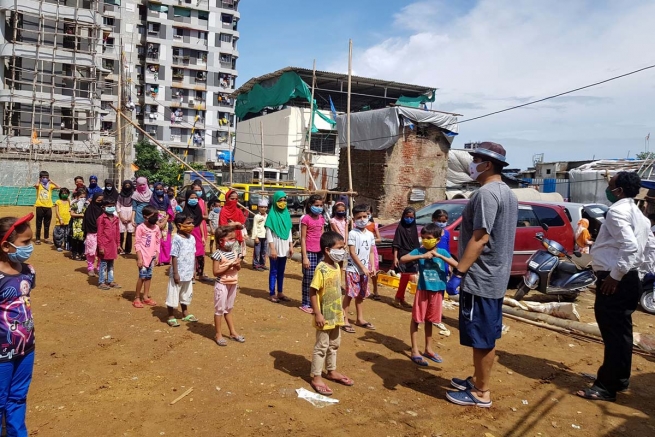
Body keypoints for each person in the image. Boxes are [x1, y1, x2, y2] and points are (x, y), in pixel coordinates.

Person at [445, 142, 518, 408]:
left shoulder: (486, 195)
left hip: (481, 278)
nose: (471, 164)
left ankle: (481, 391)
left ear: (487, 164)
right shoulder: (507, 193)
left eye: (475, 159)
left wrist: (459, 271)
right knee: (484, 334)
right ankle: (477, 379)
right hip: (494, 277)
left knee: (482, 337)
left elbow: (480, 237)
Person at [577, 171, 650, 402]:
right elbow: (649, 248)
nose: (607, 188)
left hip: (616, 280)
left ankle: (606, 387)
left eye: (610, 185)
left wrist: (615, 277)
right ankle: (617, 378)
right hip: (630, 278)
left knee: (613, 334)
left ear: (618, 190)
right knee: (622, 333)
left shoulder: (618, 211)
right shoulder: (639, 214)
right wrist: (638, 273)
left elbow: (630, 247)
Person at [0, 213, 37, 436]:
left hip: (26, 348)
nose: (30, 247)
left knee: (18, 397)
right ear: (6, 245)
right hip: (1, 353)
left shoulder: (28, 271)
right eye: (25, 242)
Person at [401, 224, 458, 366]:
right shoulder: (419, 251)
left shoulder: (443, 252)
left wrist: (439, 255)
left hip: (438, 291)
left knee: (430, 320)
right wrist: (422, 255)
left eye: (429, 238)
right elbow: (403, 259)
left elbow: (457, 264)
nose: (425, 240)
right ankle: (414, 350)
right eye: (423, 238)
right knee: (416, 319)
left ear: (437, 240)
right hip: (423, 289)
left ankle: (428, 349)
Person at [308, 231, 353, 396]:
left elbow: (335, 289)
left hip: (336, 315)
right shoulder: (321, 269)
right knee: (321, 346)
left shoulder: (336, 266)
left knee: (334, 345)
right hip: (324, 316)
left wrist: (341, 308)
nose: (342, 251)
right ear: (327, 250)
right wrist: (317, 313)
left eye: (343, 248)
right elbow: (313, 292)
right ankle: (317, 377)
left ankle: (331, 371)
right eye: (340, 248)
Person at [342, 204, 376, 333]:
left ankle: (359, 318)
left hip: (365, 271)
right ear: (354, 219)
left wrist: (372, 266)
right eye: (359, 217)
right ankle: (344, 319)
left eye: (364, 216)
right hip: (353, 270)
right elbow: (352, 252)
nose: (362, 219)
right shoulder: (353, 233)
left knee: (361, 295)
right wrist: (362, 267)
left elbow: (371, 252)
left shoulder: (370, 234)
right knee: (350, 295)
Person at [211, 225, 245, 346]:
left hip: (233, 284)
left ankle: (232, 332)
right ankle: (218, 334)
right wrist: (229, 266)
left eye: (233, 239)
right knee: (219, 310)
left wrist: (236, 265)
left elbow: (238, 269)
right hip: (222, 284)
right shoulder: (217, 254)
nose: (233, 241)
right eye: (230, 239)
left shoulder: (234, 252)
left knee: (228, 309)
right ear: (221, 241)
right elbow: (215, 272)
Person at [166, 213, 198, 327]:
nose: (191, 225)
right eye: (188, 223)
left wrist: (194, 270)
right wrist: (175, 273)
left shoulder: (192, 238)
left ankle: (185, 313)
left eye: (192, 223)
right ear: (180, 225)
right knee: (173, 294)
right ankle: (171, 316)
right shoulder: (177, 239)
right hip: (178, 272)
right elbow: (174, 256)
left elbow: (193, 254)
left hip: (188, 272)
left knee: (186, 293)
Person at [266, 191, 294, 303]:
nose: (282, 203)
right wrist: (272, 249)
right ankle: (272, 293)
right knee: (273, 270)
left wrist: (291, 246)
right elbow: (269, 234)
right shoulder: (271, 215)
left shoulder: (287, 214)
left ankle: (280, 292)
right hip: (275, 247)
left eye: (284, 200)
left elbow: (289, 231)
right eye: (280, 200)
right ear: (275, 201)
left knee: (281, 271)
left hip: (285, 247)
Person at [300, 195, 325, 313]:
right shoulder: (306, 219)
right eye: (316, 205)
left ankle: (317, 302)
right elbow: (303, 238)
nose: (319, 207)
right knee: (308, 278)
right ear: (310, 205)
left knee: (320, 278)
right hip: (309, 251)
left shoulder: (321, 218)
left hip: (321, 251)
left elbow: (323, 235)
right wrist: (305, 257)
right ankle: (306, 303)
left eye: (321, 205)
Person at [133, 205, 161, 308]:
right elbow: (137, 244)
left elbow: (158, 242)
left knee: (149, 276)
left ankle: (145, 296)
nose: (156, 218)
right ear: (145, 216)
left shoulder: (156, 228)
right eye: (153, 216)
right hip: (143, 257)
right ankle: (136, 297)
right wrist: (139, 258)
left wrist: (157, 256)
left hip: (152, 257)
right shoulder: (140, 228)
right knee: (142, 277)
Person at [392, 207, 420, 308]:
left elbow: (416, 243)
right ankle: (397, 298)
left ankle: (401, 298)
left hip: (412, 255)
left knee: (407, 277)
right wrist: (395, 258)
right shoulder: (400, 228)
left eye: (411, 217)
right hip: (403, 255)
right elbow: (396, 244)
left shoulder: (414, 228)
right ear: (403, 216)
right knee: (404, 277)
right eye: (407, 217)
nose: (409, 219)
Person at [183, 190, 209, 282]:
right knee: (191, 255)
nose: (194, 200)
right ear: (187, 198)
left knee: (201, 254)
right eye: (191, 198)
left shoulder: (198, 210)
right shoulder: (185, 211)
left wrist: (202, 236)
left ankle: (201, 274)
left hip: (198, 233)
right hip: (189, 233)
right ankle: (192, 275)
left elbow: (200, 223)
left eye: (195, 198)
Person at [96, 198, 121, 290]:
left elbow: (118, 232)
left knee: (111, 263)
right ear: (103, 207)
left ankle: (110, 280)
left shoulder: (116, 219)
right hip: (104, 245)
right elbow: (99, 234)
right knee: (103, 264)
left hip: (113, 245)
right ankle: (101, 282)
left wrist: (118, 244)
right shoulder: (101, 218)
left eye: (113, 206)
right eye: (109, 206)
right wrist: (100, 247)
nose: (111, 208)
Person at [219, 189, 246, 260]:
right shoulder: (223, 211)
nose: (234, 201)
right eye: (232, 199)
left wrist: (235, 223)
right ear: (227, 199)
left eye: (236, 199)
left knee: (235, 259)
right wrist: (235, 224)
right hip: (226, 238)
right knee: (226, 259)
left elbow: (242, 225)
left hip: (237, 238)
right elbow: (222, 226)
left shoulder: (238, 211)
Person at [150, 182, 173, 265]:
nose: (159, 190)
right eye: (157, 189)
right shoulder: (152, 199)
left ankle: (166, 259)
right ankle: (158, 259)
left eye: (161, 189)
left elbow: (169, 210)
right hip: (155, 221)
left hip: (166, 222)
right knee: (157, 240)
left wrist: (165, 220)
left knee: (166, 240)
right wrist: (157, 222)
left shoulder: (166, 198)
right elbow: (151, 211)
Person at [33, 170, 59, 245]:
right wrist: (38, 180)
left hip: (48, 207)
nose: (45, 179)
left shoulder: (50, 186)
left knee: (47, 224)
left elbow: (58, 187)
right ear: (40, 178)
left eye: (46, 177)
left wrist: (52, 181)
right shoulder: (39, 185)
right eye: (43, 177)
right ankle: (38, 239)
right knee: (38, 223)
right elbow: (36, 185)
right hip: (40, 206)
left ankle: (46, 238)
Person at [83, 193, 104, 277]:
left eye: (102, 201)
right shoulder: (89, 210)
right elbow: (87, 222)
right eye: (98, 200)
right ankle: (90, 268)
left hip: (101, 234)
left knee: (101, 252)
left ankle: (99, 268)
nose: (100, 202)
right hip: (91, 233)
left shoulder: (103, 211)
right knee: (90, 252)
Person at [366, 214, 382, 300]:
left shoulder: (374, 225)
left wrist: (369, 239)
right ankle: (365, 290)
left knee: (374, 270)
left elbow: (379, 239)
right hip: (362, 250)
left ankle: (375, 290)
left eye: (368, 214)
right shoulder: (356, 225)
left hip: (372, 250)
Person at [117, 180, 135, 255]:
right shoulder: (120, 195)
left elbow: (135, 205)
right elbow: (118, 205)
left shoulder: (134, 195)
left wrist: (131, 217)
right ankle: (120, 249)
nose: (127, 187)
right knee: (121, 232)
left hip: (131, 211)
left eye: (129, 185)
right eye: (126, 185)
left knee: (129, 232)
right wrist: (121, 216)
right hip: (122, 211)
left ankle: (128, 250)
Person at [251, 198, 268, 271]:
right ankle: (256, 265)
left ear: (267, 208)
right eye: (261, 207)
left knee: (263, 251)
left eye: (264, 207)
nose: (263, 209)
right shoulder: (256, 216)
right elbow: (254, 227)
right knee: (257, 251)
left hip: (265, 236)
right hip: (258, 236)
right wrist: (255, 237)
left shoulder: (268, 216)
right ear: (258, 207)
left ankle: (262, 264)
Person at [69, 188, 87, 261]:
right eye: (81, 197)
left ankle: (81, 253)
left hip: (83, 224)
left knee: (82, 239)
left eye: (84, 197)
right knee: (75, 239)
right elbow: (72, 214)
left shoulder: (86, 205)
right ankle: (74, 253)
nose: (83, 199)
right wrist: (81, 215)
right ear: (77, 197)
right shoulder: (75, 204)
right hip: (75, 224)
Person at [53, 188, 71, 253]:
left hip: (68, 220)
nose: (64, 194)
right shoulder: (58, 201)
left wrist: (69, 200)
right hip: (60, 220)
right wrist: (60, 219)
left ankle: (67, 245)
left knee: (67, 233)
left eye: (66, 193)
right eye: (63, 193)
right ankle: (58, 246)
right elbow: (57, 211)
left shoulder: (69, 201)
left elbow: (71, 207)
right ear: (60, 194)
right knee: (59, 233)